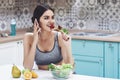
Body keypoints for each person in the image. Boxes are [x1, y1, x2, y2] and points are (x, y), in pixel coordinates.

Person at [23, 4, 74, 70]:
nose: (51, 21)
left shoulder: (59, 37)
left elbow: (70, 66)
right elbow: (27, 68)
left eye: (52, 17)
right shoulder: (28, 38)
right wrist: (35, 41)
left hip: (59, 75)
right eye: (46, 18)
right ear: (37, 21)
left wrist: (67, 45)